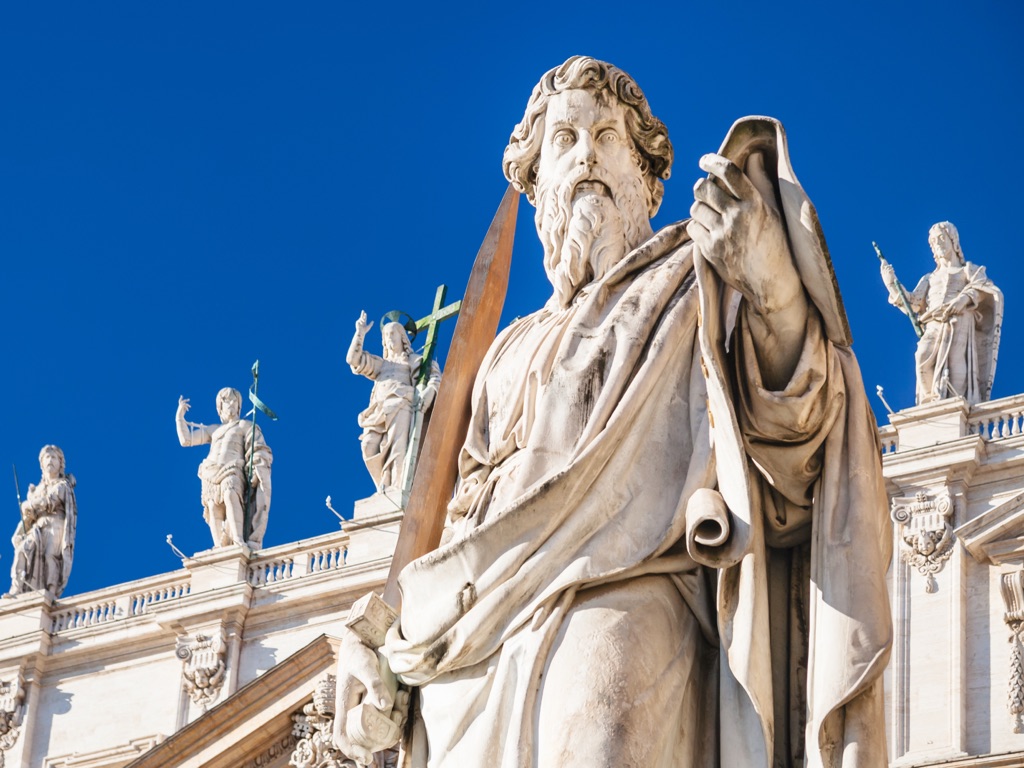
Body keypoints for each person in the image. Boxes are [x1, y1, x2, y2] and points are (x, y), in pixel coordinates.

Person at [335, 56, 891, 768]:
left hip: (626, 580)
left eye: (607, 137)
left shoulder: (693, 282)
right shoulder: (503, 350)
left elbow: (798, 434)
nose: (587, 155)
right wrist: (380, 636)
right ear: (537, 187)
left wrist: (772, 288)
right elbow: (449, 521)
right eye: (564, 140)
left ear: (649, 180)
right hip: (471, 636)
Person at [881, 221, 1002, 405]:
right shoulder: (930, 278)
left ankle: (956, 403)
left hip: (959, 317)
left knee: (955, 360)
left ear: (953, 240)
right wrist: (891, 283)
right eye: (933, 242)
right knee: (922, 355)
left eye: (941, 238)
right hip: (933, 321)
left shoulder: (967, 270)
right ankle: (930, 402)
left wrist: (963, 299)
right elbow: (912, 303)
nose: (938, 244)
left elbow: (983, 287)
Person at [348, 311, 440, 495]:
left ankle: (396, 489)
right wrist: (359, 333)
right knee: (368, 446)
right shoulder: (381, 364)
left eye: (393, 333)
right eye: (386, 335)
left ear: (402, 337)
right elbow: (353, 360)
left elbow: (435, 377)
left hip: (402, 404)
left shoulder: (414, 360)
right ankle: (382, 487)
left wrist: (430, 391)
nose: (389, 338)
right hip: (378, 411)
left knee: (398, 449)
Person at [175, 387, 272, 549]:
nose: (230, 404)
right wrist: (179, 417)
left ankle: (238, 540)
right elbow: (187, 440)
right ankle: (219, 546)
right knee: (213, 506)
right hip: (210, 471)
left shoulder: (245, 426)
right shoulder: (213, 430)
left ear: (239, 406)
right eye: (226, 401)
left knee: (230, 495)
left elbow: (258, 448)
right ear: (220, 406)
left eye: (234, 400)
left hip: (233, 468)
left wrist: (257, 465)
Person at [9, 445, 76, 598]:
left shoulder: (62, 485)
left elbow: (50, 502)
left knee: (50, 557)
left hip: (55, 524)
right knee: (22, 550)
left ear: (60, 464)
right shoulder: (37, 489)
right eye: (47, 457)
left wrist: (30, 504)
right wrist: (18, 532)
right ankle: (17, 588)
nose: (50, 460)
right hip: (38, 526)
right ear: (42, 464)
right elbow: (28, 517)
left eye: (54, 457)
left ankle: (50, 592)